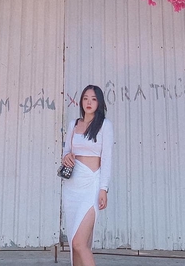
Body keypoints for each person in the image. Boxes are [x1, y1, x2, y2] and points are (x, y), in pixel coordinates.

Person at [61, 84, 114, 266]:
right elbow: (66, 152)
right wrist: (66, 157)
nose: (89, 102)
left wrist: (103, 189)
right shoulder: (73, 125)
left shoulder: (105, 126)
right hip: (72, 187)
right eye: (85, 98)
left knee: (79, 242)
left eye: (93, 99)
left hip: (91, 184)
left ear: (99, 102)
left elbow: (106, 159)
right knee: (74, 246)